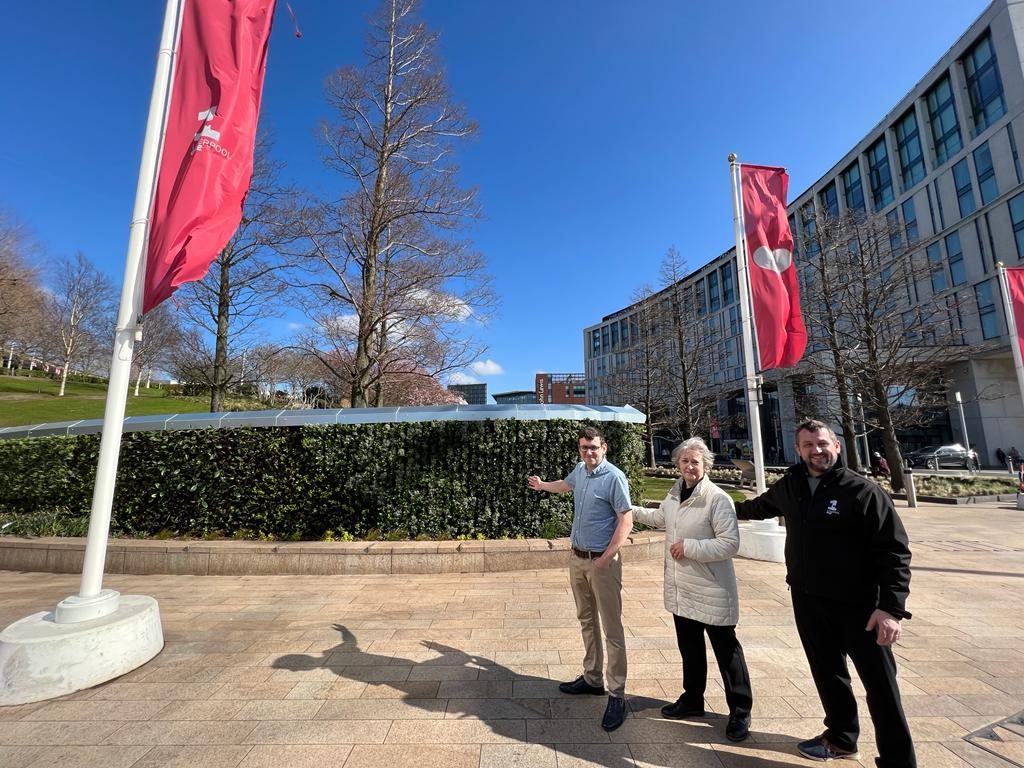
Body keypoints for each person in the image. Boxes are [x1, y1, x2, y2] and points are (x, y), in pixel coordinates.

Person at [735, 419, 915, 767]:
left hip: (861, 605)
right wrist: (709, 504)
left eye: (822, 443)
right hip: (808, 599)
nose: (816, 451)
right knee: (828, 673)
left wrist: (891, 608)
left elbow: (895, 552)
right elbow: (756, 508)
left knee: (881, 687)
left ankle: (899, 760)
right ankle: (841, 738)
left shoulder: (862, 492)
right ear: (799, 450)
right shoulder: (792, 485)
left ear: (835, 445)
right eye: (808, 445)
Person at [631, 437, 753, 743]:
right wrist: (629, 510)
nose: (689, 467)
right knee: (690, 648)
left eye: (695, 462)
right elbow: (660, 519)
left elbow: (729, 543)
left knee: (728, 653)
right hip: (682, 587)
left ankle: (740, 711)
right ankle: (692, 699)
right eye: (684, 461)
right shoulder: (674, 494)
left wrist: (690, 547)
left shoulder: (717, 498)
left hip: (712, 588)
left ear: (706, 465)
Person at [527, 426, 633, 732]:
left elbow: (626, 518)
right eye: (584, 448)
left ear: (605, 447)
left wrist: (608, 556)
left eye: (593, 448)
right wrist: (543, 485)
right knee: (586, 619)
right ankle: (592, 678)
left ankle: (617, 693)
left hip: (602, 562)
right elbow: (567, 484)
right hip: (577, 558)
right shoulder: (580, 470)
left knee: (611, 628)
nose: (588, 452)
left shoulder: (614, 477)